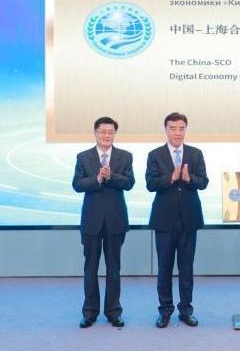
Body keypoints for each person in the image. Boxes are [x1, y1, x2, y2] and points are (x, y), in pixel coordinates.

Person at [146, 112, 209, 328]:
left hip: (189, 219)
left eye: (181, 128)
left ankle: (186, 310)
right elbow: (150, 184)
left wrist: (190, 179)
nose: (177, 133)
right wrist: (170, 178)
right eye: (173, 128)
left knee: (186, 268)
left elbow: (204, 182)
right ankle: (165, 311)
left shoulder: (195, 153)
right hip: (164, 220)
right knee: (164, 268)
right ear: (166, 130)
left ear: (185, 130)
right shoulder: (155, 154)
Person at [72, 116, 135, 328]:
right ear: (95, 133)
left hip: (116, 220)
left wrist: (111, 176)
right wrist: (97, 179)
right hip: (91, 220)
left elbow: (129, 183)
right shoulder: (83, 157)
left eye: (110, 132)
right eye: (102, 132)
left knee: (114, 268)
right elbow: (77, 185)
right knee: (90, 267)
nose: (106, 135)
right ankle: (89, 312)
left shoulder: (125, 156)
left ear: (115, 134)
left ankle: (113, 311)